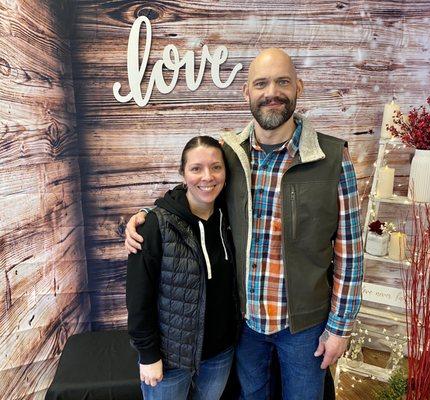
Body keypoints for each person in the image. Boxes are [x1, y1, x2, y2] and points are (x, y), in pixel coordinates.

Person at [125, 48, 364, 400]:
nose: (272, 92)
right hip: (245, 325)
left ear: (298, 86)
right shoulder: (231, 154)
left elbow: (351, 252)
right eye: (261, 83)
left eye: (283, 81)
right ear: (247, 93)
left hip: (305, 328)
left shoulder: (331, 159)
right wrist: (147, 214)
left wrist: (339, 328)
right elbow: (196, 190)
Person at [126, 136, 240, 400]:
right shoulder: (155, 225)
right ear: (183, 173)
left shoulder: (230, 216)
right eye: (196, 168)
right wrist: (148, 355)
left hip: (220, 354)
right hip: (170, 359)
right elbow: (138, 298)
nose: (207, 177)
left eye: (216, 167)